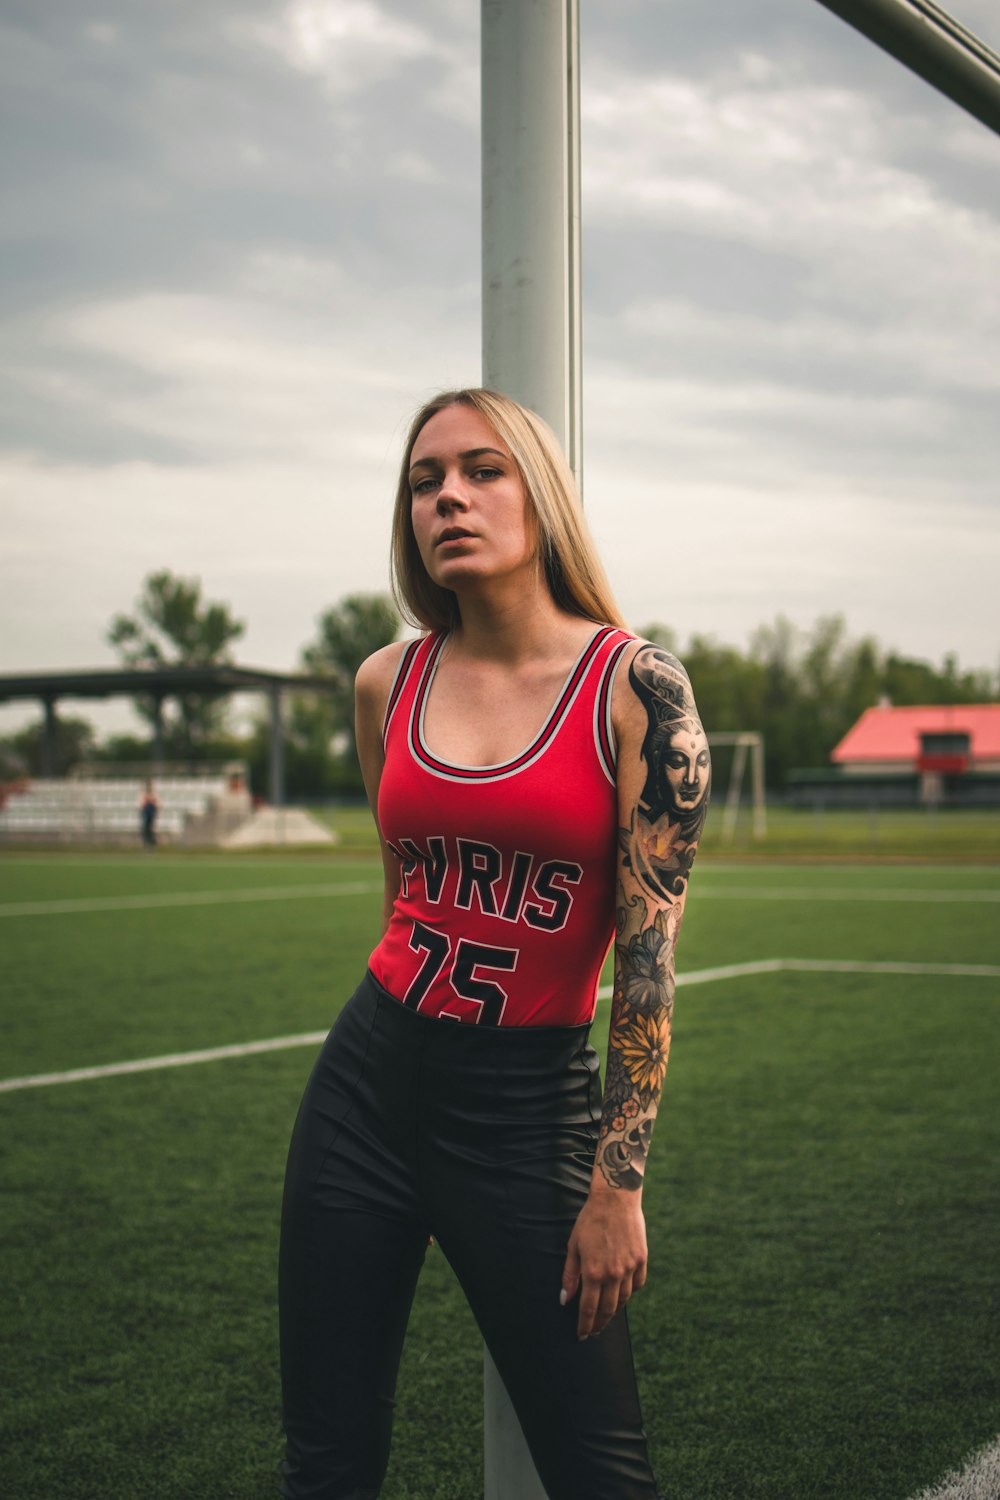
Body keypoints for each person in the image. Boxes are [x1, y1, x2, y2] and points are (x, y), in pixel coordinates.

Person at [278, 388, 710, 1500]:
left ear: (540, 496)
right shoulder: (389, 681)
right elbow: (399, 900)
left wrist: (619, 1185)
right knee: (327, 1461)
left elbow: (647, 970)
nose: (448, 499)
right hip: (364, 1092)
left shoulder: (636, 689)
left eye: (480, 471)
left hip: (523, 1118)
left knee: (601, 1473)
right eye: (425, 482)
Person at [139, 780, 158, 848]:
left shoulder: (153, 794)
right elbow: (142, 804)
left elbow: (157, 804)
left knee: (150, 829)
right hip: (146, 813)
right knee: (146, 829)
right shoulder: (144, 794)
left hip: (151, 813)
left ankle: (151, 843)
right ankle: (147, 843)